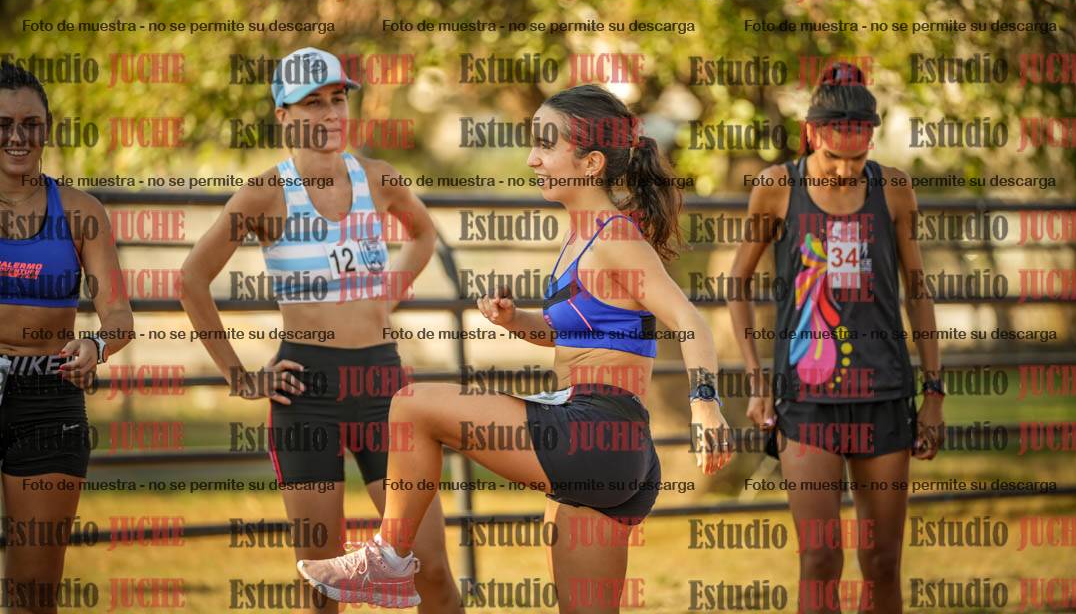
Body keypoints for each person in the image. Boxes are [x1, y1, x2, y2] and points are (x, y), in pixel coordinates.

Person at [296, 83, 735, 611]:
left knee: (412, 404)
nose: (532, 159)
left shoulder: (615, 236)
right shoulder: (583, 237)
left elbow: (688, 319)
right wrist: (517, 320)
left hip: (595, 430)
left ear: (591, 162)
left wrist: (705, 403)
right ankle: (388, 560)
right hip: (615, 450)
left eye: (547, 146)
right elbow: (582, 333)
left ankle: (387, 559)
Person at [179, 47, 460, 613]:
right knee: (322, 585)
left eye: (338, 99)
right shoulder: (264, 193)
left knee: (429, 566)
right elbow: (191, 280)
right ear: (283, 115)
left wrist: (385, 296)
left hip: (383, 388)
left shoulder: (378, 177)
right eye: (313, 103)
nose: (331, 113)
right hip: (306, 393)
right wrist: (240, 378)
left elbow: (424, 235)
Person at [729, 62, 944, 614]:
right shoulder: (777, 187)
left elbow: (918, 289)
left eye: (858, 157)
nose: (847, 170)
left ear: (871, 140)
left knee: (882, 563)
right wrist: (756, 382)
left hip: (884, 394)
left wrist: (934, 392)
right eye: (834, 157)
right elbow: (737, 285)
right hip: (806, 400)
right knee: (821, 560)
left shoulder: (894, 188)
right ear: (811, 134)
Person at [0, 61, 134, 611]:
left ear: (47, 129)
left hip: (47, 399)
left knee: (33, 596)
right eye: (3, 123)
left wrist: (96, 346)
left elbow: (119, 316)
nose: (17, 136)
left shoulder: (81, 212)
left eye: (30, 124)